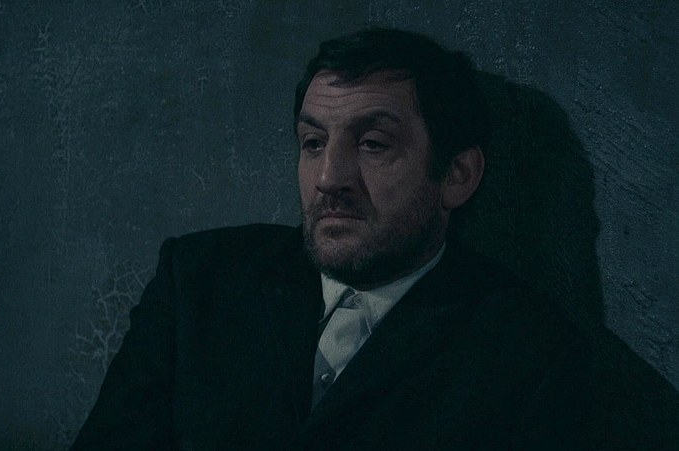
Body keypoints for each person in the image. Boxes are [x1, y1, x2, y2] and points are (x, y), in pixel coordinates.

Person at [71, 28, 678, 450]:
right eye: (313, 143)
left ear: (457, 175)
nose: (329, 178)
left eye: (373, 144)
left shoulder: (532, 353)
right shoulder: (197, 280)